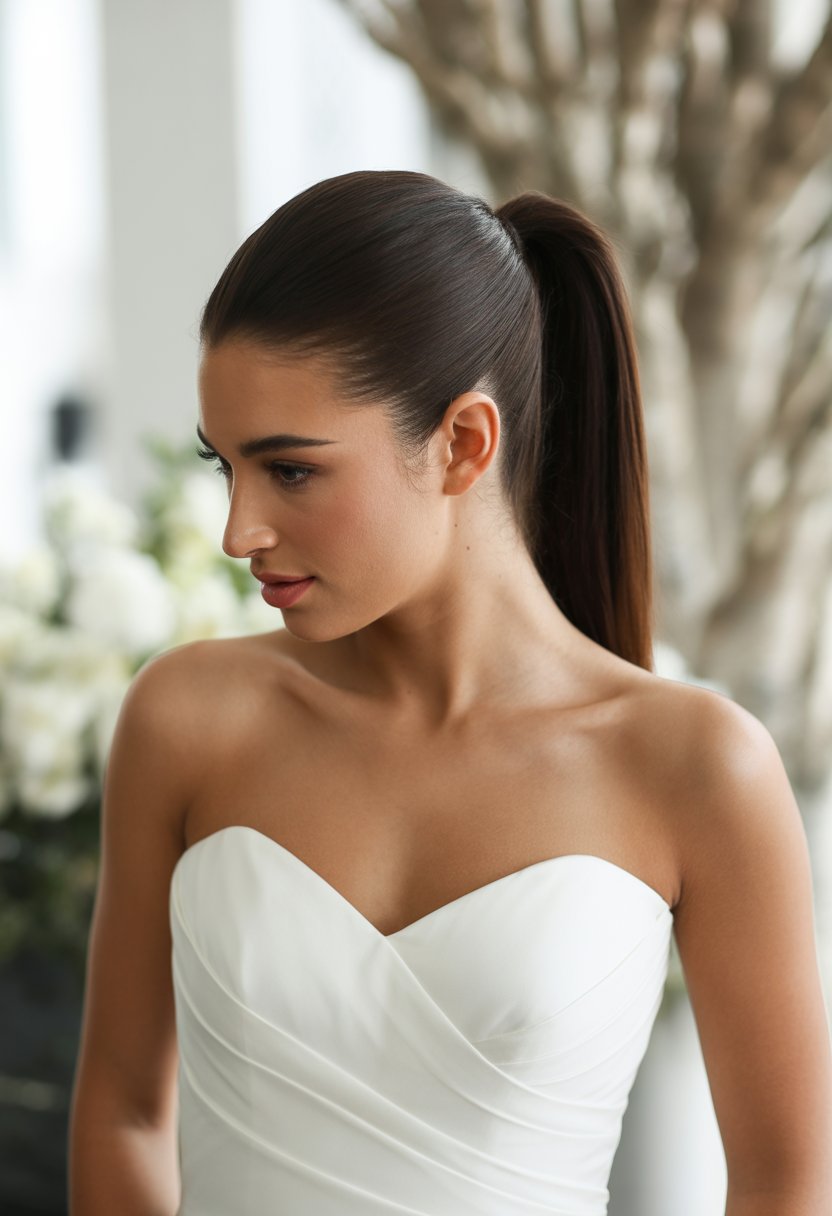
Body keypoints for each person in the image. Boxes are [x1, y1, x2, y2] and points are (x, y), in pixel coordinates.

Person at [68, 169, 832, 1215]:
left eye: (289, 470)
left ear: (463, 443)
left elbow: (785, 1185)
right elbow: (121, 1112)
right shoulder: (190, 719)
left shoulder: (697, 766)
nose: (238, 530)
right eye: (225, 467)